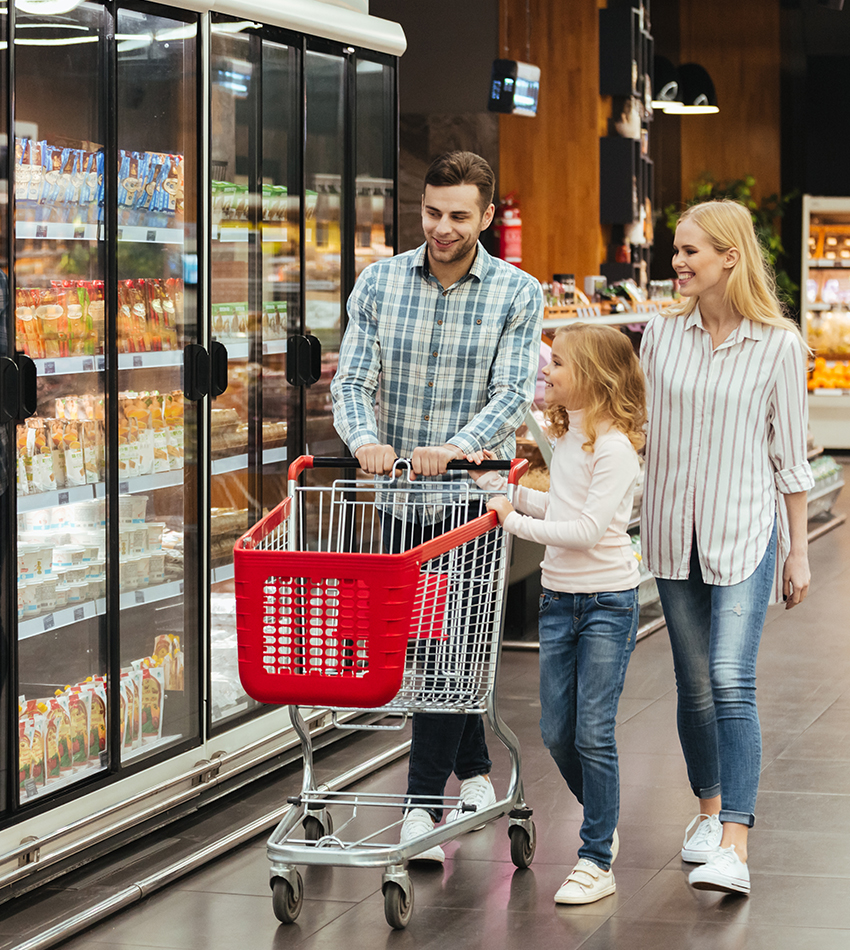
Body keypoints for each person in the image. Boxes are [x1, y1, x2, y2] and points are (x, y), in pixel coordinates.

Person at [330, 150, 543, 863]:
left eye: (458, 215)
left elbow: (512, 394)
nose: (442, 228)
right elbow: (353, 379)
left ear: (486, 216)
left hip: (472, 500)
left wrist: (453, 449)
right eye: (431, 213)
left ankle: (421, 809)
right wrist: (363, 439)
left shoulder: (517, 292)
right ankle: (477, 770)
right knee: (432, 649)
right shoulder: (381, 282)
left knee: (462, 648)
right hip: (398, 502)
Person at [640, 199, 814, 896]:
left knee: (729, 679)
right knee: (692, 685)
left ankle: (736, 842)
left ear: (729, 258)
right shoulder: (660, 333)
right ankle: (708, 811)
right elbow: (642, 430)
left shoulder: (778, 343)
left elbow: (790, 456)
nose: (677, 264)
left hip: (744, 530)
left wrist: (799, 551)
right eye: (676, 251)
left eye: (690, 253)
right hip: (669, 533)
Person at [473, 322, 646, 904]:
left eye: (561, 364)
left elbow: (588, 530)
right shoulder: (572, 438)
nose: (547, 370)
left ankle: (596, 855)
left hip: (605, 603)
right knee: (556, 731)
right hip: (557, 601)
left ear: (594, 379)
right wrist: (511, 492)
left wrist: (510, 521)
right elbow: (564, 504)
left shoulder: (616, 449)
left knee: (594, 731)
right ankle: (602, 815)